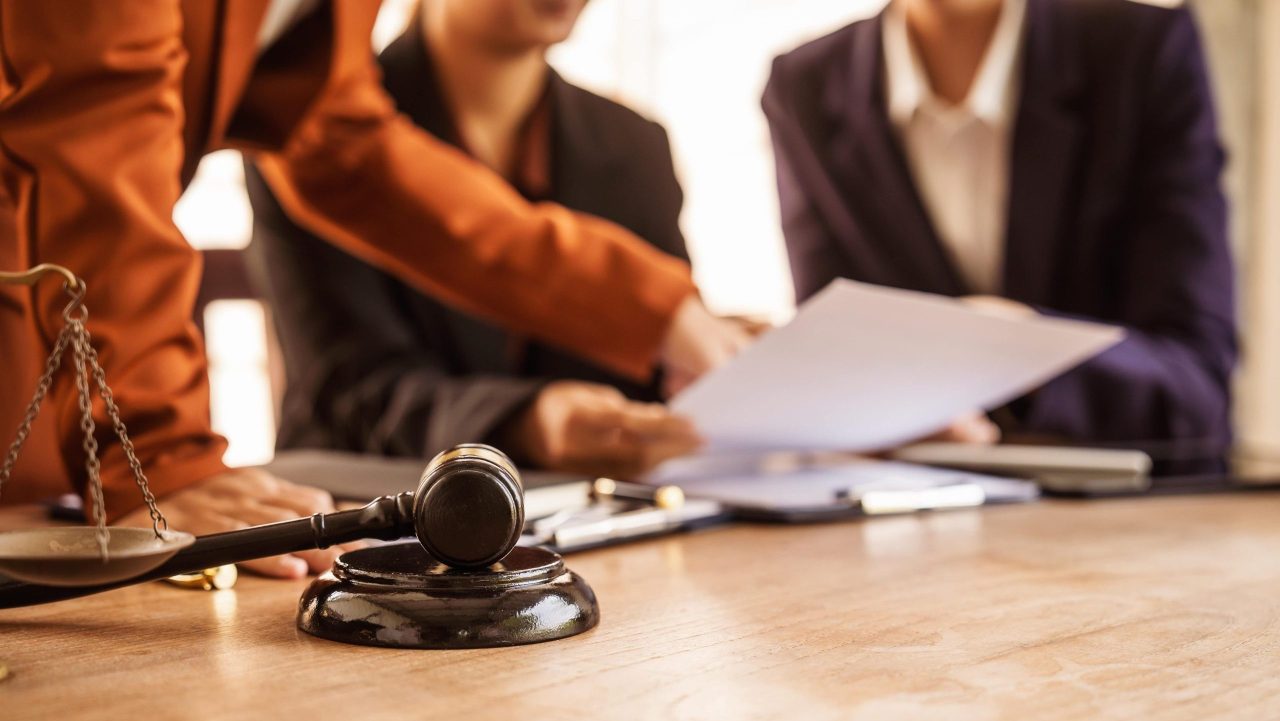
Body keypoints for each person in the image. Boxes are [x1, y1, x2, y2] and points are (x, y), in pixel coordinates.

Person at [0, 0, 747, 577]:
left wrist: (658, 308)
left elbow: (342, 144)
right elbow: (94, 154)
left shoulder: (629, 139)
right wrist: (160, 456)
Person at [244, 0, 701, 478]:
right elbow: (350, 389)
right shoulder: (304, 119)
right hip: (370, 508)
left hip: (605, 515)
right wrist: (523, 422)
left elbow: (659, 377)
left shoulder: (635, 144)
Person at [762, 0, 1235, 453]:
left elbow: (1195, 385)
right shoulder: (804, 87)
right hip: (910, 506)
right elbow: (833, 355)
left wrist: (1015, 344)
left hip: (1139, 505)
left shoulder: (1142, 52)